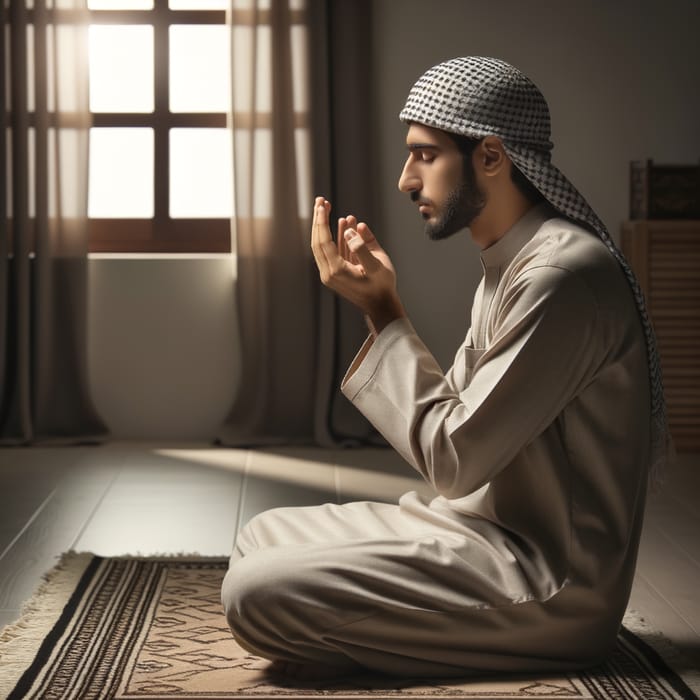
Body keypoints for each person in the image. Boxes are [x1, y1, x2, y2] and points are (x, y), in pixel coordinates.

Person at [221, 56, 671, 681]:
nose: (406, 180)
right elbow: (458, 422)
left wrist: (383, 309)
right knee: (263, 535)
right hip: (474, 530)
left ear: (490, 156)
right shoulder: (513, 263)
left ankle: (497, 641)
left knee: (255, 593)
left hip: (546, 581)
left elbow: (454, 461)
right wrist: (384, 306)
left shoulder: (561, 277)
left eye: (425, 155)